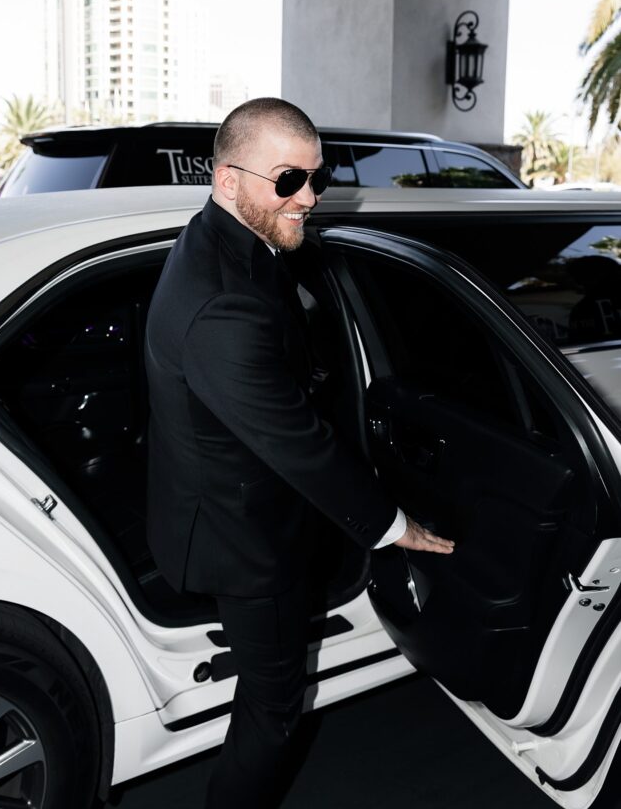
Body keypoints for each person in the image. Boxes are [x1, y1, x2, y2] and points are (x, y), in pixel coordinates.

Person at [144, 97, 454, 808]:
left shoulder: (223, 241)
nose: (308, 198)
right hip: (242, 537)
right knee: (273, 710)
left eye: (316, 177)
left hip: (220, 494)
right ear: (227, 180)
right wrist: (393, 526)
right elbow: (298, 443)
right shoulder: (219, 300)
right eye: (289, 180)